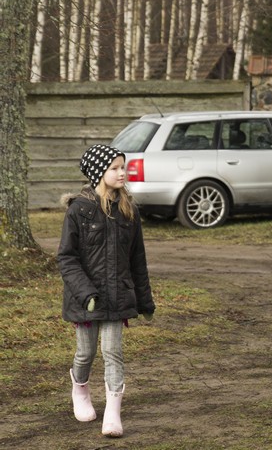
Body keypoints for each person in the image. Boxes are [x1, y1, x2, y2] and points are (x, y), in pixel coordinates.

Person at [58, 144, 156, 438]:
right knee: (86, 353)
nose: (122, 172)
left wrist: (145, 300)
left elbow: (138, 258)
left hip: (118, 296)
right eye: (114, 168)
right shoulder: (79, 210)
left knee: (113, 352)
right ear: (99, 172)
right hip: (85, 298)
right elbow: (66, 257)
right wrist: (86, 292)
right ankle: (80, 388)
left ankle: (112, 414)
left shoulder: (129, 210)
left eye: (123, 166)